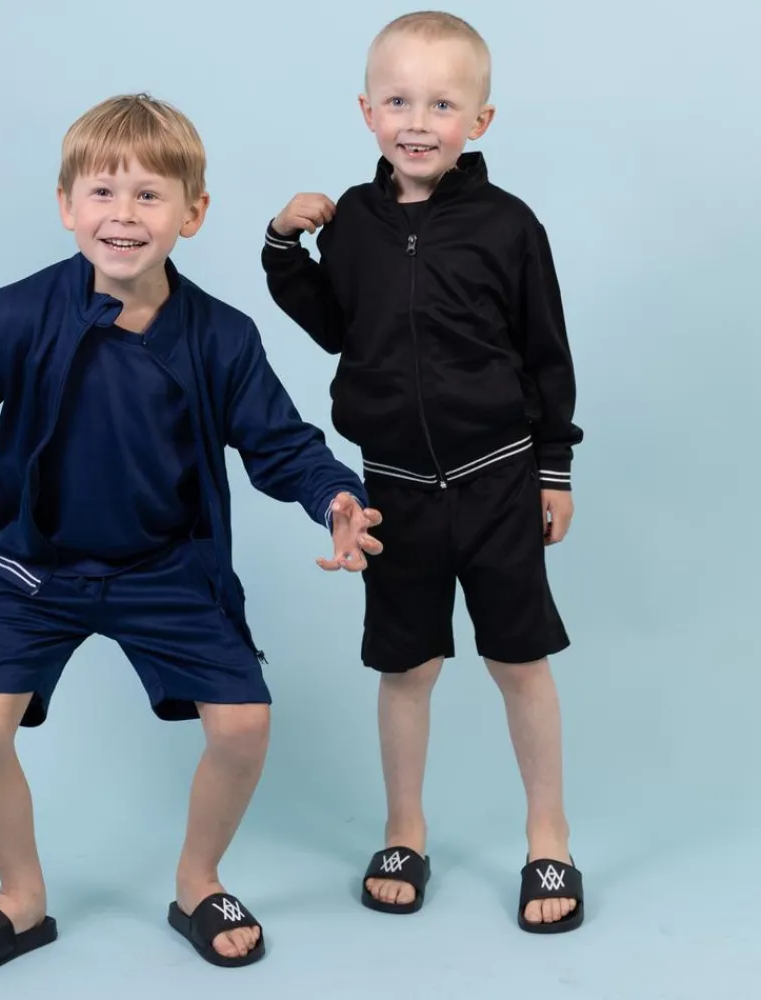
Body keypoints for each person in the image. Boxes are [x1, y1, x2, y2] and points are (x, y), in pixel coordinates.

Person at [0, 92, 382, 976]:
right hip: (39, 571)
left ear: (192, 214)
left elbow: (282, 445)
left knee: (243, 725)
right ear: (67, 206)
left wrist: (336, 499)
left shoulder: (223, 337)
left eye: (149, 196)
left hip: (169, 570)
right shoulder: (19, 312)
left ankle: (199, 882)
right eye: (102, 192)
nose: (122, 215)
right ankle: (21, 896)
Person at [261, 11, 585, 933]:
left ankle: (549, 837)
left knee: (519, 660)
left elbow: (546, 352)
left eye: (442, 105)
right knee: (407, 666)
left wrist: (553, 469)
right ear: (367, 111)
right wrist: (283, 245)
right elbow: (337, 326)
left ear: (479, 121)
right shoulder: (352, 222)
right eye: (398, 102)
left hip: (498, 478)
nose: (417, 122)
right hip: (395, 490)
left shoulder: (508, 225)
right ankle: (404, 829)